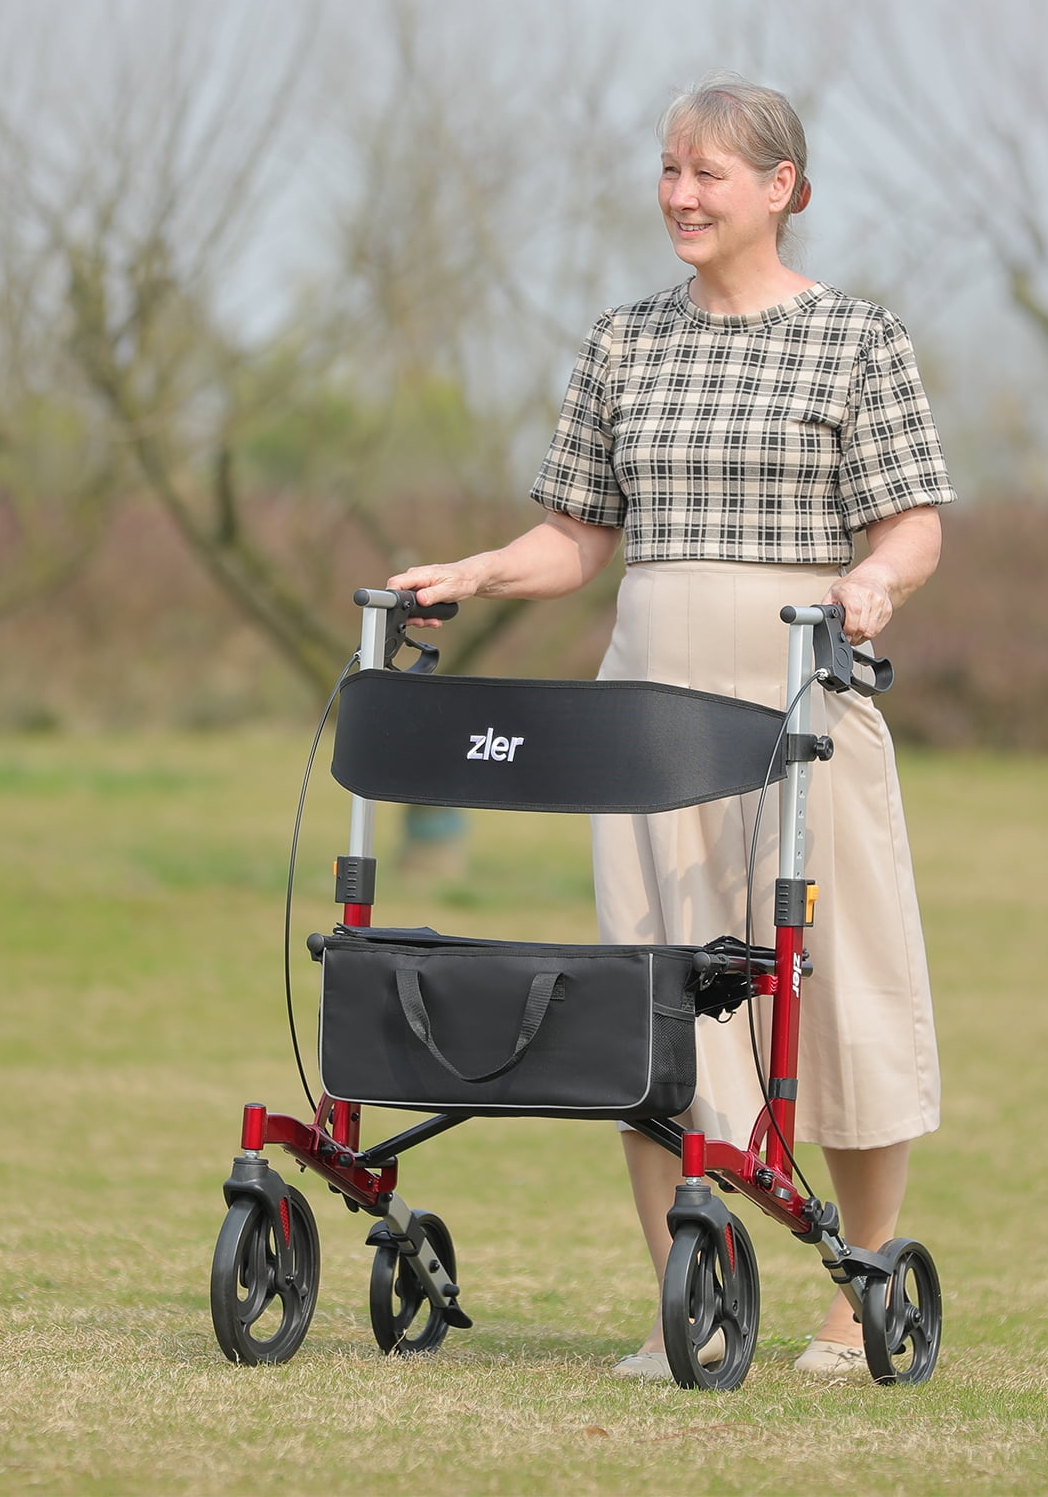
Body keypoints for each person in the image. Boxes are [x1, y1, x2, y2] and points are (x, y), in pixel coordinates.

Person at [389, 77, 955, 1378]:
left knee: (836, 983)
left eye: (708, 174)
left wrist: (877, 581)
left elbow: (914, 521)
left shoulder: (857, 340)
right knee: (649, 1000)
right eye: (669, 171)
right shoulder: (624, 342)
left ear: (782, 188)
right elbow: (577, 536)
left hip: (802, 699)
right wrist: (477, 572)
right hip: (645, 719)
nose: (681, 196)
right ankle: (682, 1300)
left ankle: (856, 1287)